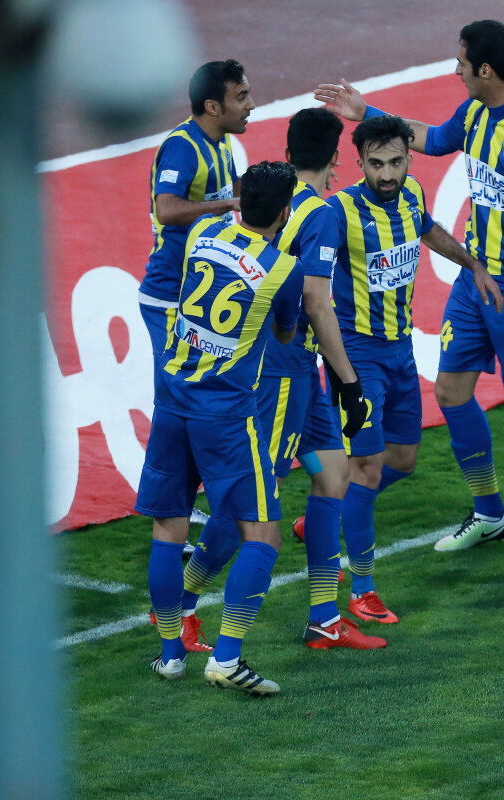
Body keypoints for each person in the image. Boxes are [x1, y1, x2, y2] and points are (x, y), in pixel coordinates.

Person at [315, 19, 504, 561]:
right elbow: (434, 139)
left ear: (485, 69)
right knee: (451, 393)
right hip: (474, 279)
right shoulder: (475, 113)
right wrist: (366, 114)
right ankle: (490, 513)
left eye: (461, 61)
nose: (455, 68)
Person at [178, 108, 385, 651]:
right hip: (280, 374)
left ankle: (324, 617)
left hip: (296, 372)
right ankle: (180, 603)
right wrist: (350, 383)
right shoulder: (319, 213)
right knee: (249, 504)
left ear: (289, 153)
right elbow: (316, 302)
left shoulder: (266, 199)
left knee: (333, 477)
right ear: (337, 158)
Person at [136, 161, 305, 696]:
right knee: (263, 534)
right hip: (226, 415)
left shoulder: (202, 233)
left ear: (238, 199)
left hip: (172, 400)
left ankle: (170, 656)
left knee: (168, 530)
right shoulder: (283, 269)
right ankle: (227, 658)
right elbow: (285, 331)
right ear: (285, 212)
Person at [325, 114, 503, 615]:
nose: (387, 174)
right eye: (376, 164)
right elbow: (303, 273)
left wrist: (473, 264)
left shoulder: (412, 195)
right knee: (366, 469)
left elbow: (428, 230)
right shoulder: (338, 212)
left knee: (401, 461)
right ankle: (361, 590)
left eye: (396, 162)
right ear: (359, 163)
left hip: (400, 352)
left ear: (409, 157)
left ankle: (327, 512)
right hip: (356, 359)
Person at [138, 59, 255, 653]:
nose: (249, 104)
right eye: (241, 96)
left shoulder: (222, 147)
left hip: (192, 300)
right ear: (213, 106)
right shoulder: (184, 147)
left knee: (191, 405)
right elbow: (166, 210)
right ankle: (176, 514)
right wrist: (225, 204)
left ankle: (180, 516)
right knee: (181, 405)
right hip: (167, 301)